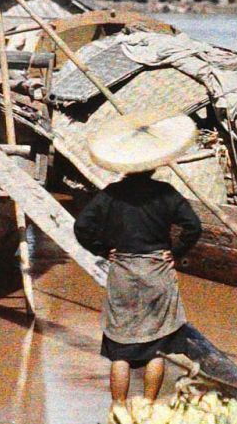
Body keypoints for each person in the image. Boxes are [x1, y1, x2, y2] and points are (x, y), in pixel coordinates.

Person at [71, 115, 205, 405]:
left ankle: (118, 408)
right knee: (157, 348)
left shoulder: (110, 195)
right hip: (157, 270)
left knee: (120, 349)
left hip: (123, 270)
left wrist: (103, 249)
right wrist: (176, 253)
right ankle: (147, 405)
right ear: (153, 164)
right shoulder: (166, 193)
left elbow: (81, 227)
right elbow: (193, 227)